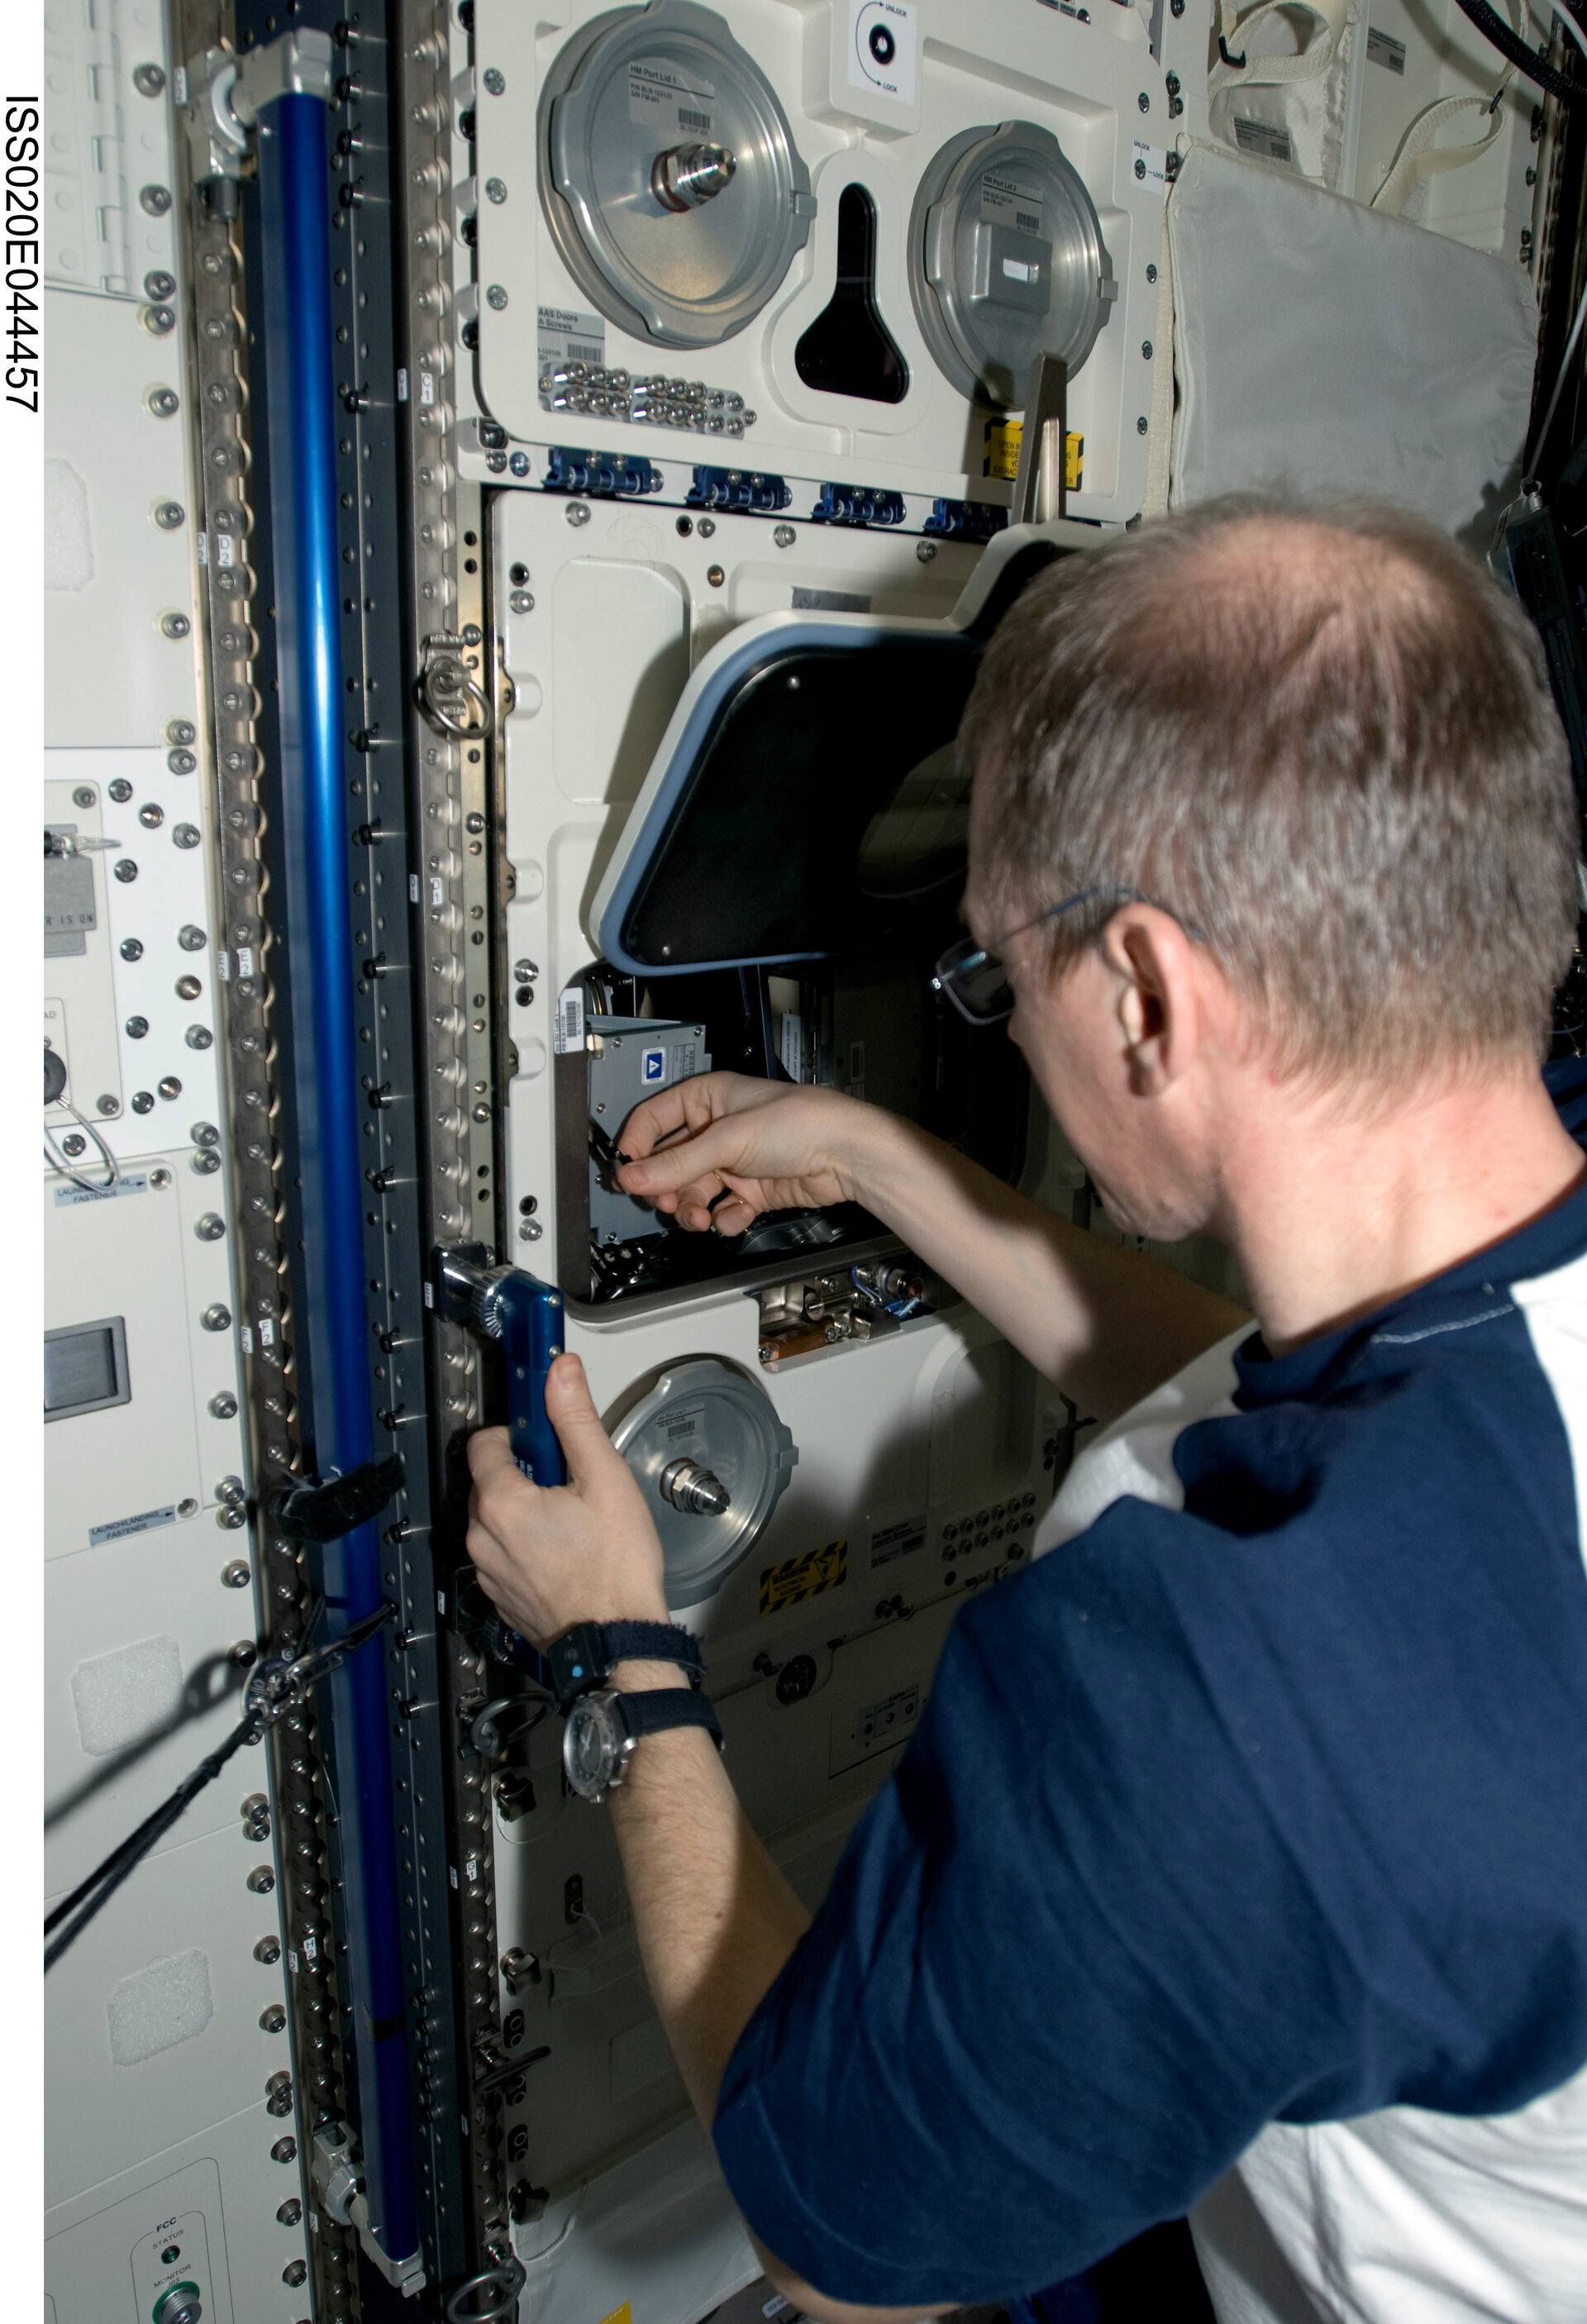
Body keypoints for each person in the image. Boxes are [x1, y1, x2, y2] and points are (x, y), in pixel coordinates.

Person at [465, 500, 1587, 2324]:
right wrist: (873, 1158)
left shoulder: (1225, 1691)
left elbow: (838, 2253)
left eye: (999, 978)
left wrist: (617, 1647)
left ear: (1147, 988)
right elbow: (1260, 1375)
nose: (1003, 1025)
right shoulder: (1497, 1321)